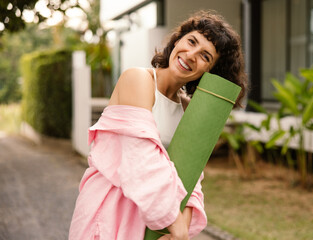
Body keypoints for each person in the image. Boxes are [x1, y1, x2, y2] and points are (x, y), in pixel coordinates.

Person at [69, 10, 247, 240]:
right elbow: (142, 160)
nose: (191, 54)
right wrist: (177, 227)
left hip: (157, 223)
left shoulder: (187, 109)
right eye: (191, 41)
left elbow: (192, 177)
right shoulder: (138, 79)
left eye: (205, 56)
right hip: (111, 211)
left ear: (209, 72)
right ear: (177, 40)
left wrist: (177, 233)